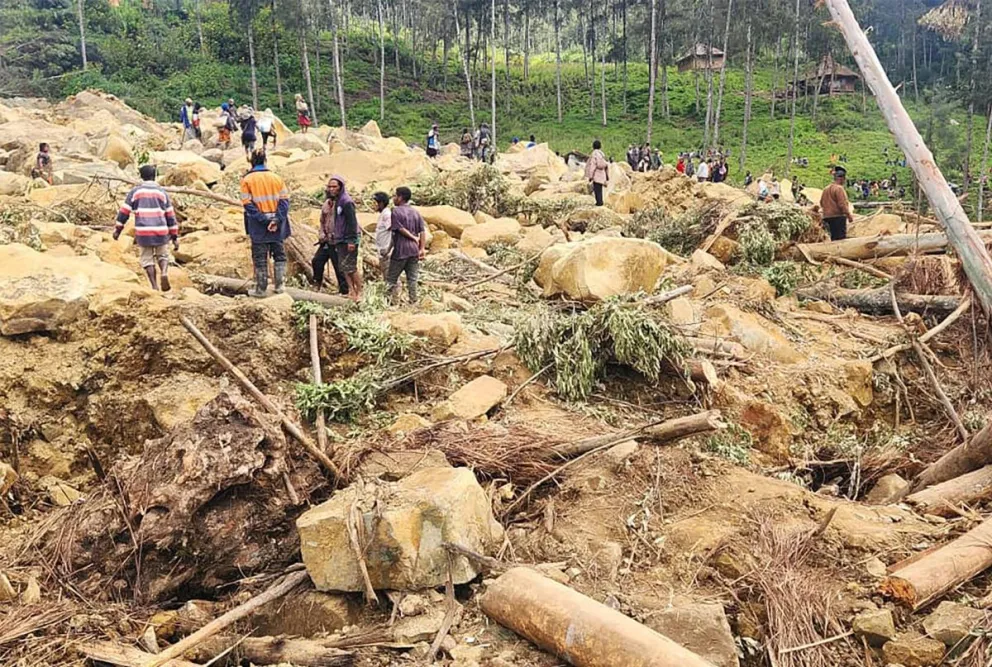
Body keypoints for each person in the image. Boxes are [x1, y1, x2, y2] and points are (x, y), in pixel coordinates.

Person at [113, 164, 179, 292]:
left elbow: (124, 212)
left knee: (147, 258)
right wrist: (174, 236)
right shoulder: (162, 193)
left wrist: (118, 230)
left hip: (143, 231)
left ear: (141, 177)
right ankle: (164, 272)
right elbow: (170, 215)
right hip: (161, 230)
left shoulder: (135, 192)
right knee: (163, 255)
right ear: (154, 177)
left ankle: (154, 286)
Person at [240, 149, 291, 297]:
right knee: (279, 255)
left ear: (252, 162)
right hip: (278, 225)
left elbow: (247, 204)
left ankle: (261, 289)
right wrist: (276, 219)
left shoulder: (247, 180)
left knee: (260, 256)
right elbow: (284, 201)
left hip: (258, 225)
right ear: (265, 160)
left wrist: (264, 219)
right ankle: (280, 286)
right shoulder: (276, 178)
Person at [314, 176, 362, 301]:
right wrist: (322, 234)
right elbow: (323, 221)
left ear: (340, 187)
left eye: (334, 186)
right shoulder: (331, 203)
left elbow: (352, 222)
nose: (331, 189)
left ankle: (358, 292)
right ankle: (350, 290)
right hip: (333, 240)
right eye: (329, 187)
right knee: (340, 266)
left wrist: (352, 240)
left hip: (346, 239)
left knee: (349, 267)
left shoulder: (346, 202)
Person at [385, 186, 427, 304]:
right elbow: (422, 231)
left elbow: (399, 229)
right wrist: (422, 248)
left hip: (401, 250)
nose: (393, 198)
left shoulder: (396, 211)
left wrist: (412, 237)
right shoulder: (415, 212)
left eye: (395, 196)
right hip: (414, 250)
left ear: (400, 198)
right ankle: (413, 301)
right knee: (412, 279)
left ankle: (385, 301)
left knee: (391, 279)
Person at [820, 166, 854, 241]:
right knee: (840, 240)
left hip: (827, 218)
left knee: (832, 239)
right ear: (842, 178)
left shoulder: (826, 189)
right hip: (837, 218)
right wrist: (849, 216)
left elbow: (822, 203)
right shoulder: (839, 189)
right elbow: (842, 205)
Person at [372, 191, 393, 277]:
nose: (373, 205)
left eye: (375, 203)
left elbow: (393, 229)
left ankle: (395, 290)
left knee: (390, 276)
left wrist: (388, 249)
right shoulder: (383, 214)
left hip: (386, 251)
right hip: (383, 251)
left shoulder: (387, 215)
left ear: (381, 203)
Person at [584, 140, 609, 207]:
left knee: (596, 189)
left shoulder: (594, 154)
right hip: (602, 174)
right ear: (600, 146)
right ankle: (600, 202)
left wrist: (590, 176)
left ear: (593, 146)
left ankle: (599, 203)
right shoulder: (602, 154)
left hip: (596, 174)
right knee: (599, 189)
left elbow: (593, 165)